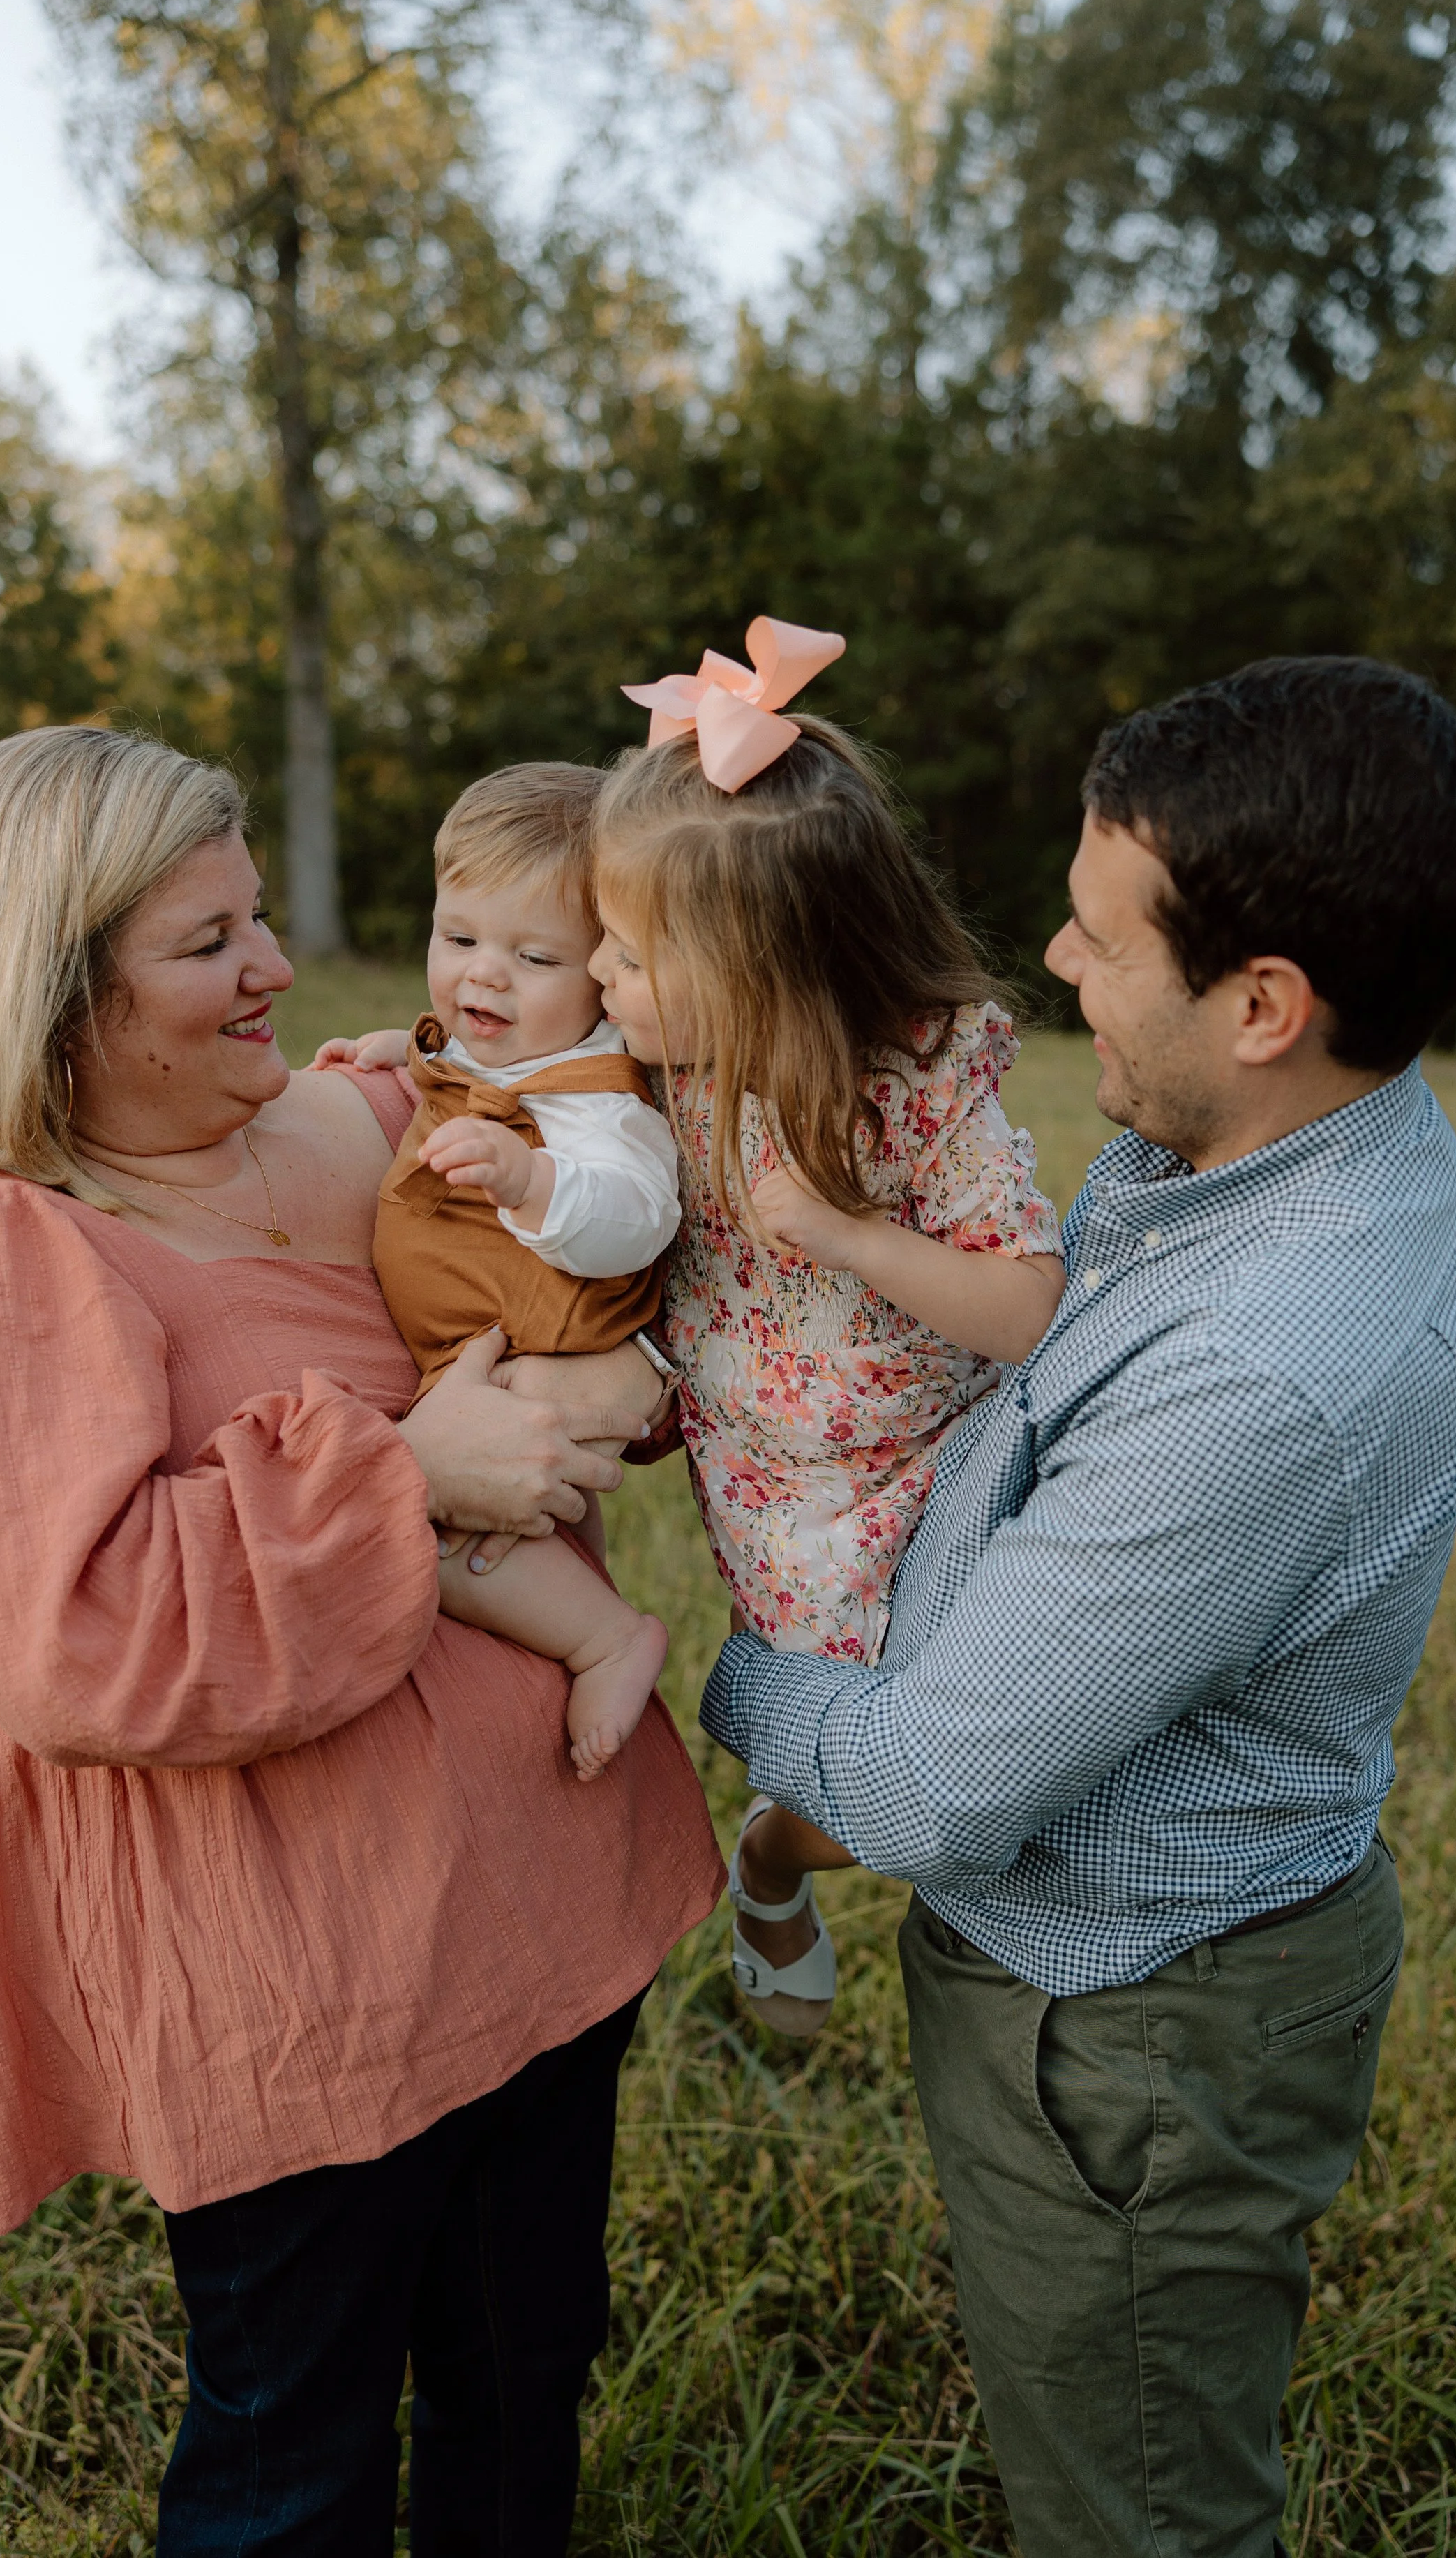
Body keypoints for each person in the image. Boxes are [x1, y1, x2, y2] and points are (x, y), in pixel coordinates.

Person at [0, 724, 723, 2558]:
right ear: (51, 989)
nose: (274, 967)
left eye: (257, 919)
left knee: (521, 2369)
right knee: (292, 2447)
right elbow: (82, 1639)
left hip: (546, 1900)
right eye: (206, 941)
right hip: (303, 1971)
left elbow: (627, 1282)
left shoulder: (378, 1110)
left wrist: (638, 1379)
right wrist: (408, 1472)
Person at [700, 655, 1456, 2553]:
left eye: (1091, 933)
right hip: (1126, 1983)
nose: (1055, 966)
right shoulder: (1282, 1143)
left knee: (1136, 2508)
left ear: (1260, 1004)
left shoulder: (1270, 1368)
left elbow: (921, 1789)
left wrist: (700, 1649)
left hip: (1130, 2028)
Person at [595, 623, 1067, 2030]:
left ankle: (778, 1860)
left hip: (942, 1469)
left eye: (627, 952)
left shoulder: (916, 1093)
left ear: (757, 970)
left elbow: (1029, 1305)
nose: (599, 975)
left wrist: (853, 1234)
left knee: (975, 1768)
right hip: (777, 1497)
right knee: (858, 1784)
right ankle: (776, 1855)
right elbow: (494, 1057)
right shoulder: (650, 1059)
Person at [318, 763, 681, 1781]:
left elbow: (636, 1215)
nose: (484, 976)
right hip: (479, 1346)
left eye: (533, 955)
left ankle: (607, 1638)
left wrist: (533, 1181)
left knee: (437, 1537)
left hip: (544, 1353)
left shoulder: (596, 1102)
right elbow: (466, 1062)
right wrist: (402, 1053)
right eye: (460, 936)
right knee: (515, 1525)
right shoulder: (502, 1047)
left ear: (606, 974)